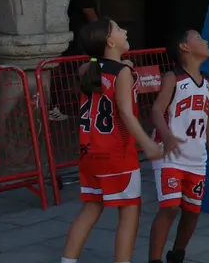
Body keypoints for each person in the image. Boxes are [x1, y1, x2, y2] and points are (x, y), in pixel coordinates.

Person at [62, 18, 163, 263]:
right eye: (119, 29)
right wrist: (148, 145)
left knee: (91, 208)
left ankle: (67, 260)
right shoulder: (122, 73)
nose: (125, 30)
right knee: (129, 212)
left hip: (89, 153)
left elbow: (97, 67)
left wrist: (121, 64)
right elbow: (126, 114)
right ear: (109, 41)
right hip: (117, 155)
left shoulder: (88, 69)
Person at [148, 30, 209, 263]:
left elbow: (207, 117)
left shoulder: (208, 82)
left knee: (192, 211)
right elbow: (155, 110)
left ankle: (177, 254)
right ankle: (153, 260)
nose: (206, 41)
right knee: (170, 207)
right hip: (169, 153)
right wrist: (167, 135)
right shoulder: (173, 78)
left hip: (196, 156)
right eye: (199, 38)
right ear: (185, 47)